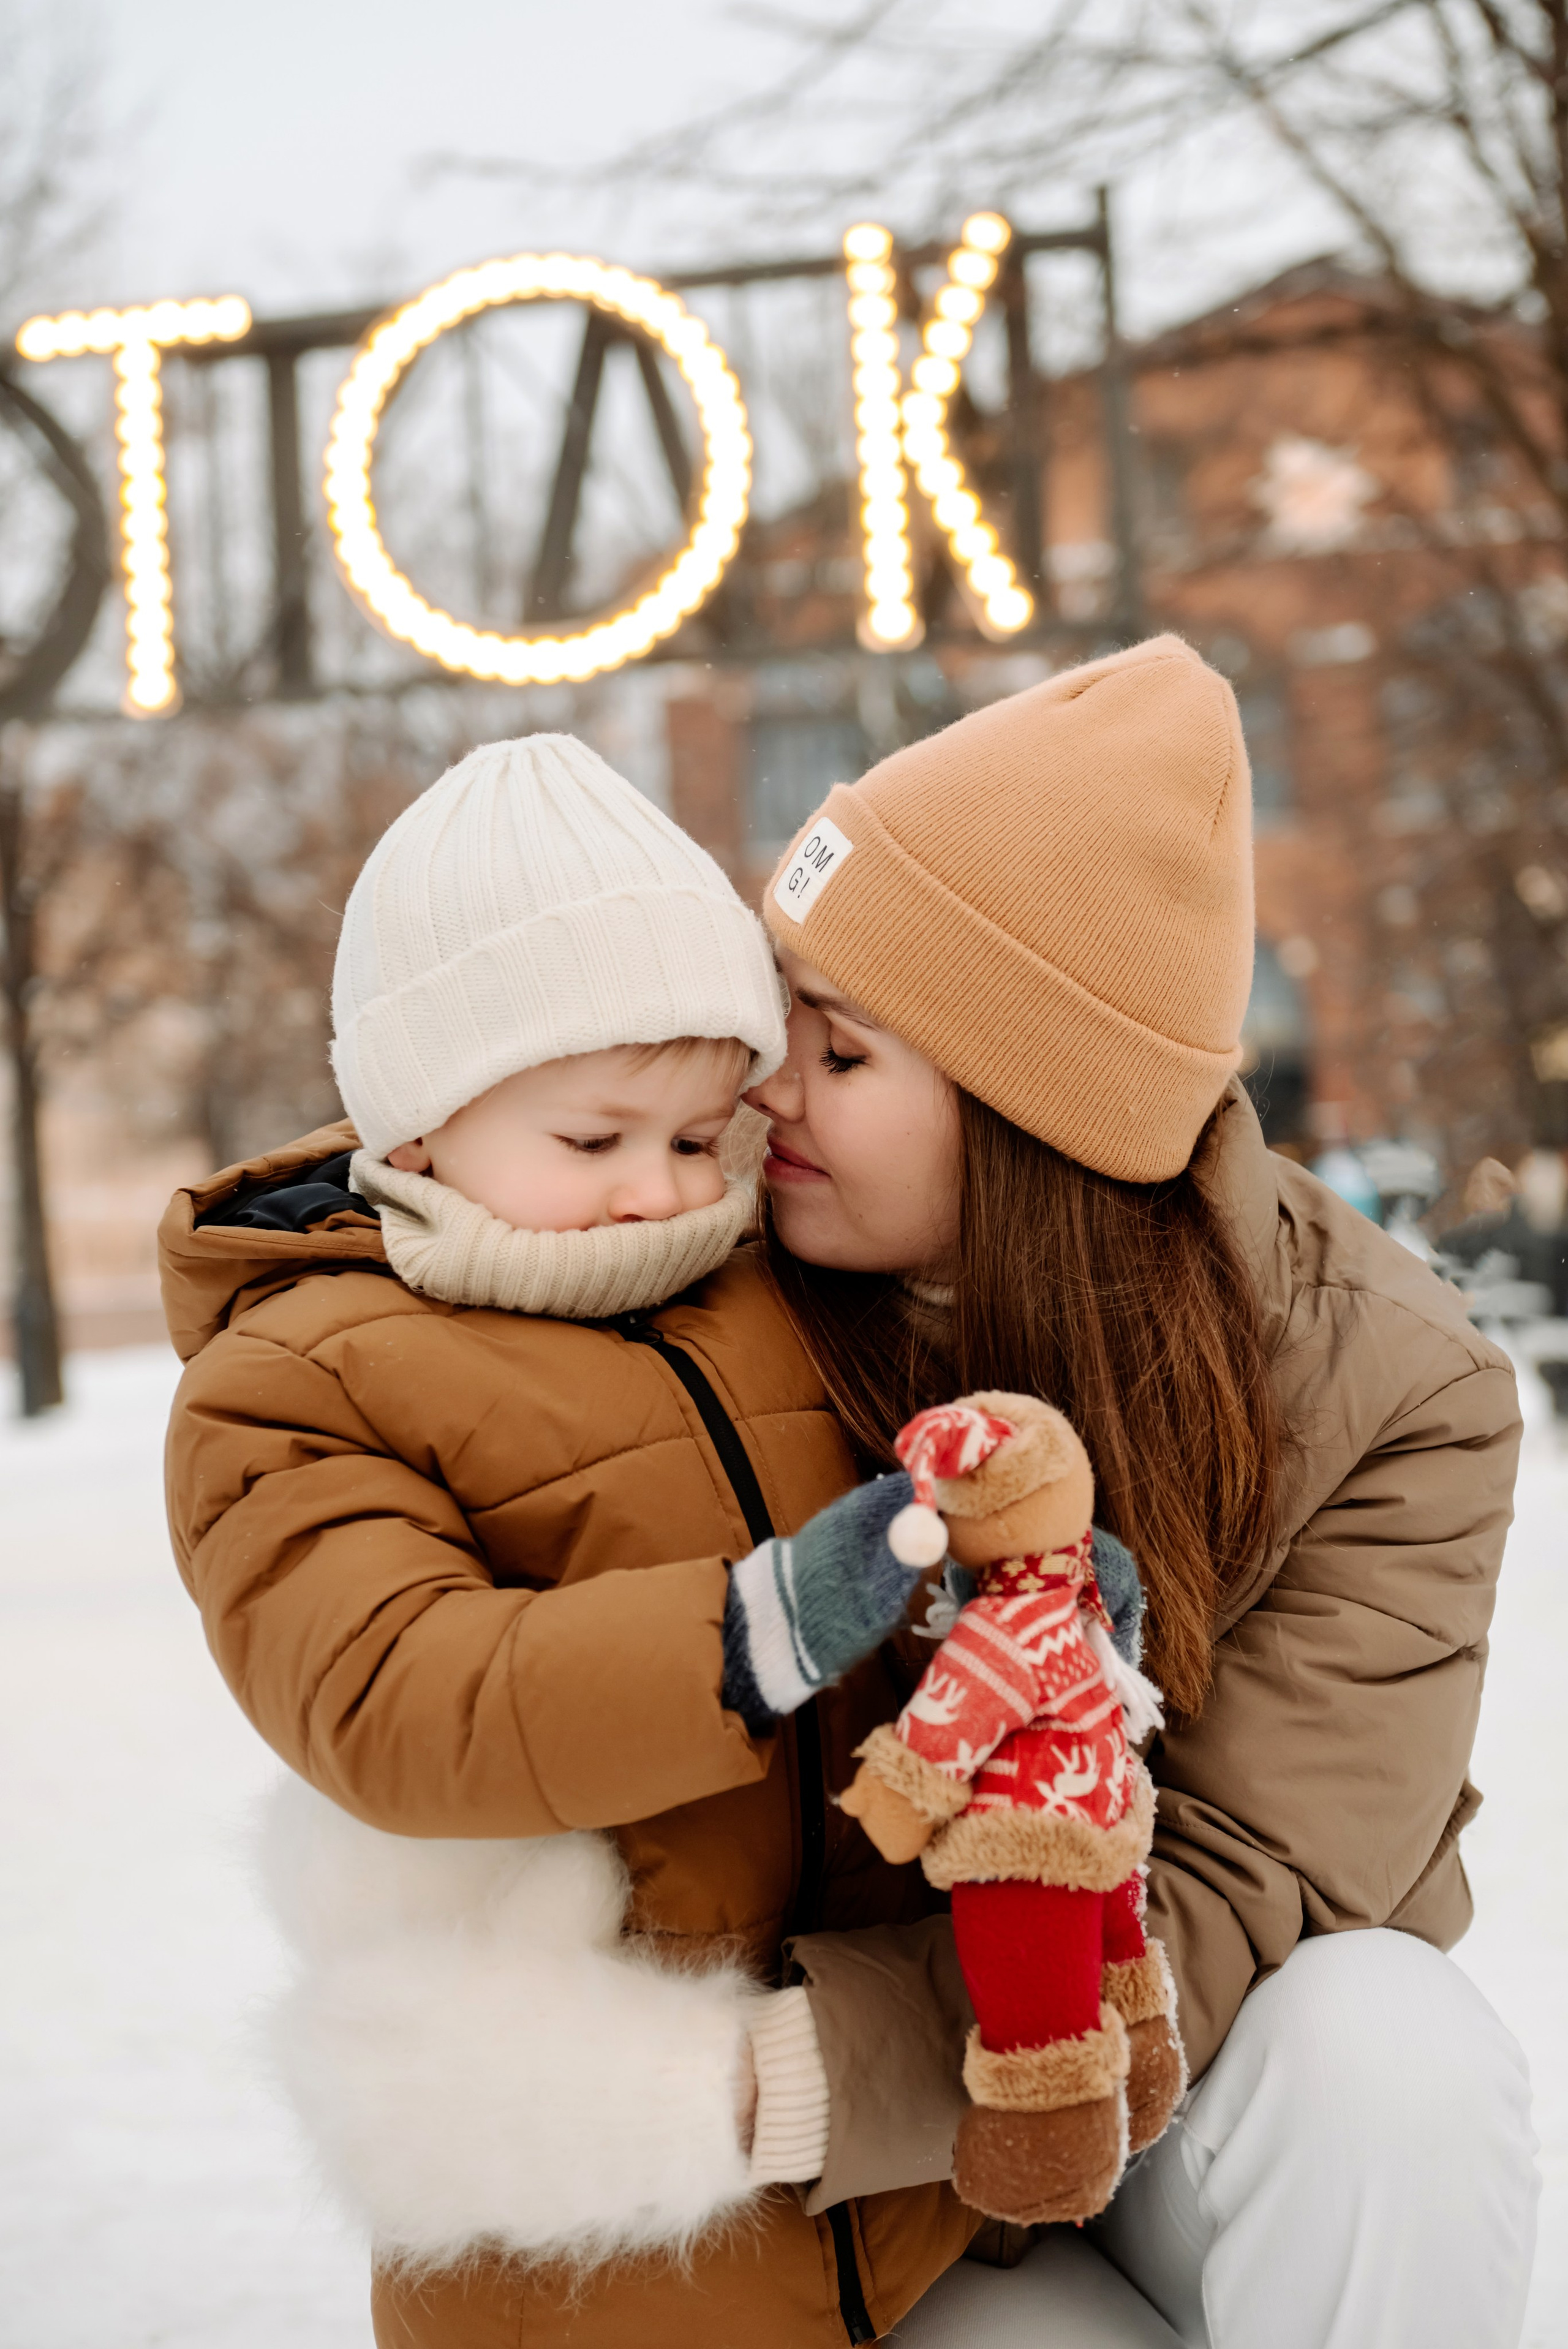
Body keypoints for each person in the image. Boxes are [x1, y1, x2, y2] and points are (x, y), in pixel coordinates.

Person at [157, 641, 1539, 2349]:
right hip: (849, 2199)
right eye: (775, 1012)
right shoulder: (708, 1251)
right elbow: (492, 1148)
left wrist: (807, 2071)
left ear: (1030, 1106)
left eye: (842, 1047)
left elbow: (1258, 1865)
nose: (759, 1092)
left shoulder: (1391, 1386)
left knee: (1386, 2041)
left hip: (1133, 2051)